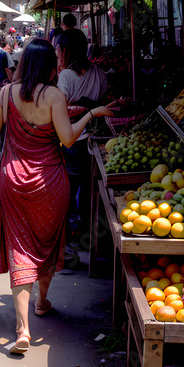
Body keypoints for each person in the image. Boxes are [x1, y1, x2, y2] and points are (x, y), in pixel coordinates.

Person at [0, 39, 115, 353]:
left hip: (12, 181)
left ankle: (22, 329)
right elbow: (67, 139)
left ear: (23, 63)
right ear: (51, 65)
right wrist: (90, 115)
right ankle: (42, 301)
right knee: (48, 242)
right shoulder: (55, 95)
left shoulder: (6, 93)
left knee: (20, 249)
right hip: (51, 181)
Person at [56, 29, 108, 238]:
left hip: (72, 137)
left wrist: (78, 108)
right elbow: (102, 100)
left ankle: (69, 232)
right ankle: (84, 226)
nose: (57, 53)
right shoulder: (99, 73)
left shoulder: (66, 76)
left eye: (59, 50)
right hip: (94, 139)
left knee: (69, 186)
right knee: (88, 185)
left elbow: (60, 108)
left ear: (66, 51)